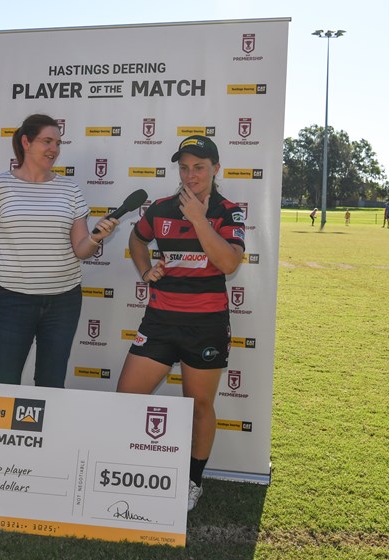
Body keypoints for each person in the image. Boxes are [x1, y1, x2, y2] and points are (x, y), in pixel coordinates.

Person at [116, 135, 245, 512]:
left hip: (205, 325)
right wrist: (144, 270)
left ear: (216, 169)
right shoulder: (159, 209)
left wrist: (200, 221)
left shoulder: (228, 211)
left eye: (199, 167)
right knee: (127, 398)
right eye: (184, 167)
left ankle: (192, 480)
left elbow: (229, 263)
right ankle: (135, 469)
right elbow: (137, 240)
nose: (191, 175)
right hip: (160, 320)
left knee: (199, 406)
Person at [0, 114, 119, 388]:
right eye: (47, 141)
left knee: (51, 385)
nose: (54, 149)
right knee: (1, 383)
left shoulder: (70, 190)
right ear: (26, 142)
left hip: (64, 302)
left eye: (58, 143)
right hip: (13, 302)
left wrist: (97, 237)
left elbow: (81, 249)